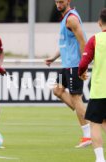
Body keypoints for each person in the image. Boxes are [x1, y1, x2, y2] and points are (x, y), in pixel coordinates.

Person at [45, 0, 91, 148]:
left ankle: (87, 136)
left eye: (61, 1)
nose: (58, 4)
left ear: (68, 1)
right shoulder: (65, 18)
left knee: (76, 98)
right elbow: (66, 44)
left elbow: (83, 42)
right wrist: (53, 57)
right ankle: (85, 116)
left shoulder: (72, 18)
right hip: (66, 65)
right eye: (56, 1)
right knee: (57, 90)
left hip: (74, 65)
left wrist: (83, 67)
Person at [78, 8, 106, 162]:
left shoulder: (96, 39)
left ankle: (100, 159)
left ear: (99, 22)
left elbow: (83, 63)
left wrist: (81, 73)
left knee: (95, 123)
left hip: (100, 90)